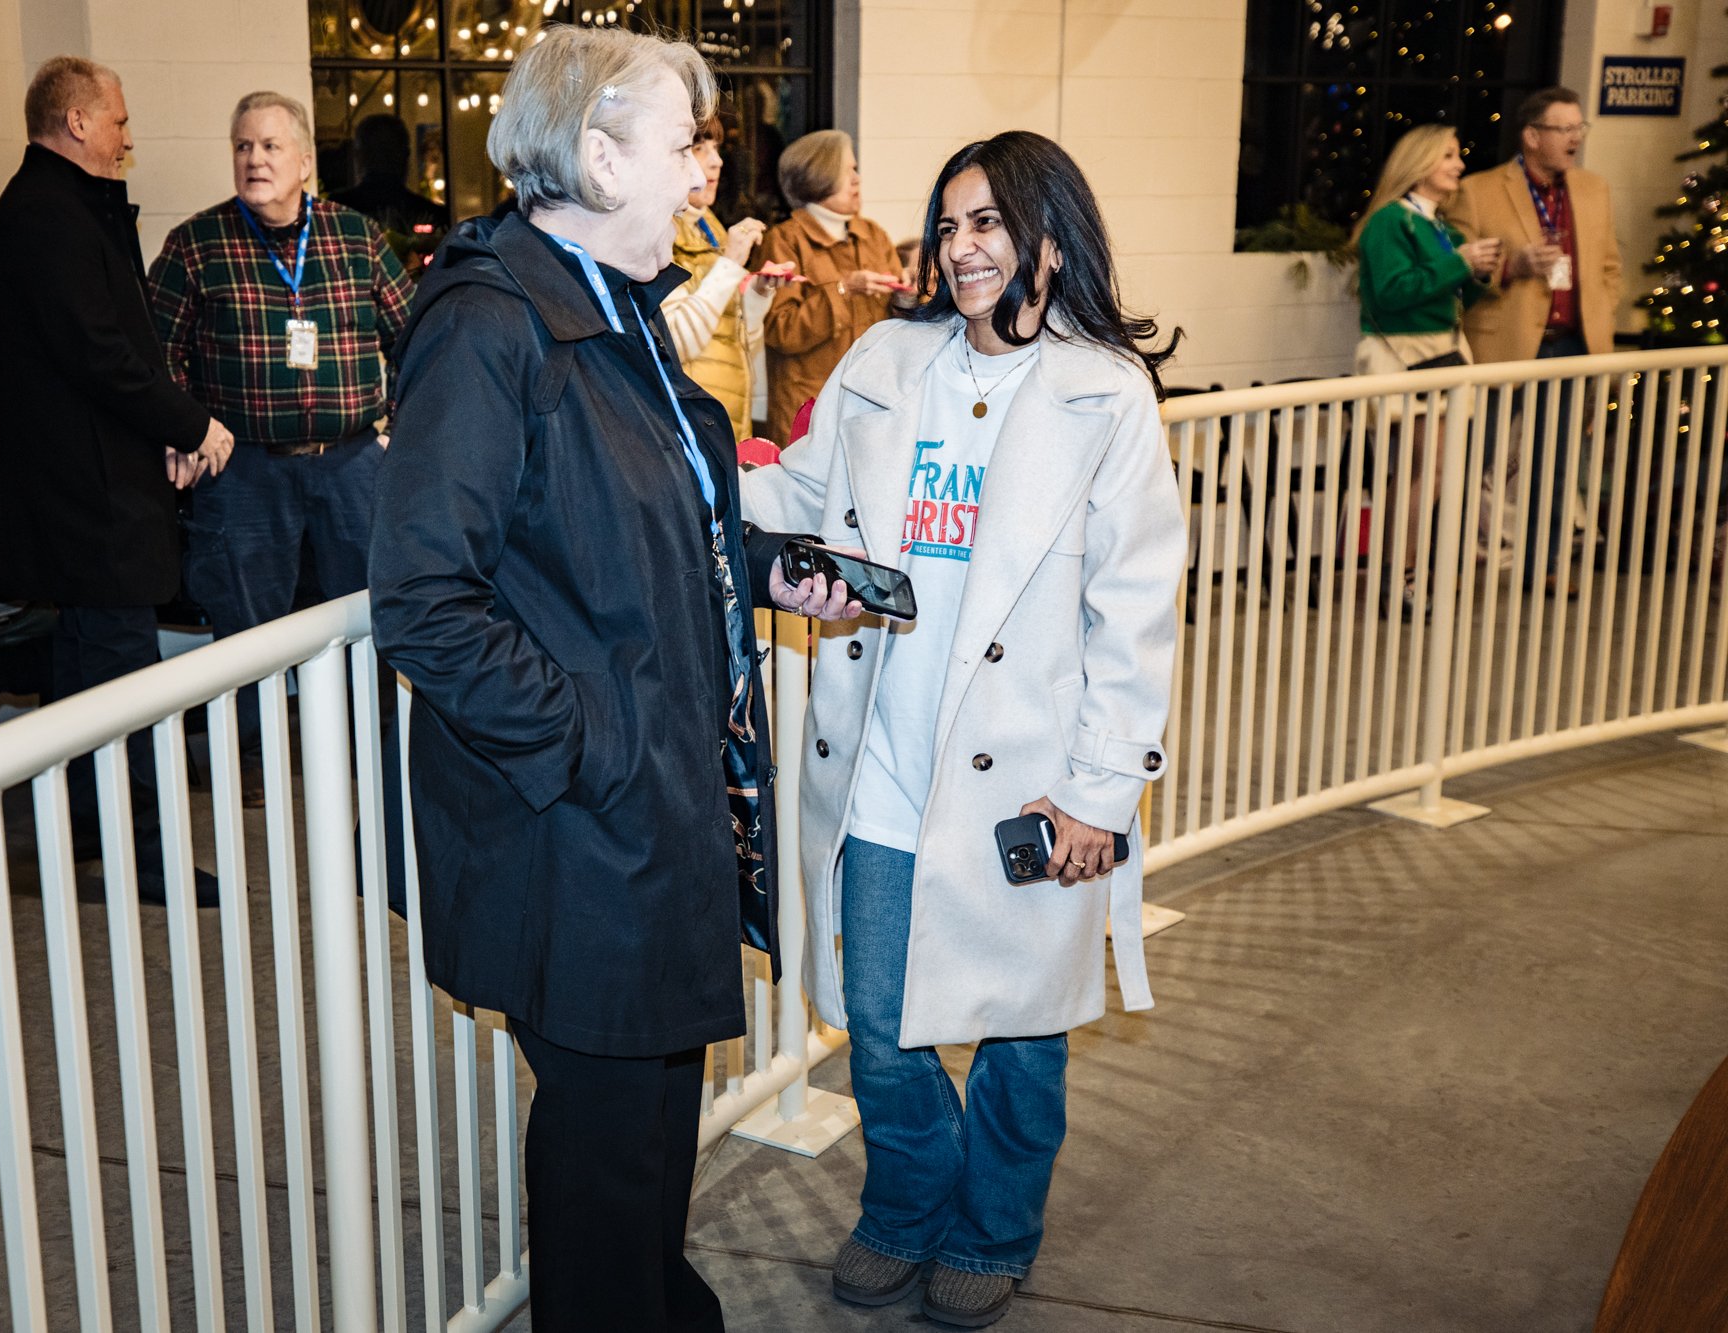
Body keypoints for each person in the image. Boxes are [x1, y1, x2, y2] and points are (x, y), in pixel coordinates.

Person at [368, 27, 861, 1332]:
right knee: (603, 1147)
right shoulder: (492, 330)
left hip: (649, 807)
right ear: (595, 156)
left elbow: (635, 526)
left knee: (647, 1121)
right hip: (577, 825)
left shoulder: (618, 312)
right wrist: (596, 740)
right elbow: (425, 601)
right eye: (684, 140)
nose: (707, 168)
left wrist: (765, 567)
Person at [739, 130, 1185, 1328]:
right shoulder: (889, 359)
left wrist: (1100, 793)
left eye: (986, 222)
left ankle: (992, 1228)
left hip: (1026, 784)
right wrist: (674, 470)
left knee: (1019, 1040)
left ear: (1048, 235)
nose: (961, 246)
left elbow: (1134, 610)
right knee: (880, 1033)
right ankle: (901, 1209)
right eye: (947, 225)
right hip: (882, 761)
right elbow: (793, 493)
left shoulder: (1102, 395)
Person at [0, 55, 232, 903]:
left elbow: (113, 354)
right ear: (78, 122)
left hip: (96, 492)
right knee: (125, 690)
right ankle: (146, 859)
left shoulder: (58, 208)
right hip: (89, 507)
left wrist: (157, 432)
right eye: (118, 120)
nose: (129, 136)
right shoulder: (45, 217)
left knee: (92, 686)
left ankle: (103, 846)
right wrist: (190, 424)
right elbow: (102, 358)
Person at [148, 91, 415, 805]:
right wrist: (182, 428)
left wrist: (402, 422)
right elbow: (156, 352)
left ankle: (378, 750)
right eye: (242, 147)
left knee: (370, 612)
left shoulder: (355, 239)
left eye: (269, 147)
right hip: (245, 472)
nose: (254, 159)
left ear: (304, 162)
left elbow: (417, 335)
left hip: (352, 461)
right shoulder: (195, 246)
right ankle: (255, 765)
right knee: (245, 627)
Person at [1446, 87, 1622, 585]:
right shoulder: (1478, 191)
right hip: (1501, 345)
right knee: (1473, 458)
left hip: (1570, 344)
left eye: (1579, 128)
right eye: (1564, 129)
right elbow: (1457, 274)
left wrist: (1600, 308)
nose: (1575, 139)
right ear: (1531, 135)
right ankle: (1451, 561)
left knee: (1556, 463)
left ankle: (1543, 566)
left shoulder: (1593, 189)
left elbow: (1609, 266)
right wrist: (1511, 266)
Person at [1351, 125, 1501, 610]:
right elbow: (1393, 292)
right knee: (1429, 470)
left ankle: (1395, 570)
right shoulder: (1389, 223)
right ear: (1419, 163)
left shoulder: (1440, 226)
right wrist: (1460, 262)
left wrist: (1478, 272)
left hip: (1443, 351)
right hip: (1406, 355)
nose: (1459, 165)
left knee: (1417, 471)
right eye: (1448, 156)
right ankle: (1401, 575)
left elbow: (1448, 294)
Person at [755, 129, 907, 439]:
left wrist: (910, 296)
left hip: (869, 404)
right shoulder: (784, 241)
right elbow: (781, 330)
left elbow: (897, 322)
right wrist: (842, 290)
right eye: (847, 170)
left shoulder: (873, 235)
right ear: (818, 177)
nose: (857, 179)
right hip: (808, 412)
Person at [662, 111, 793, 441]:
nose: (716, 162)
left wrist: (759, 294)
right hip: (688, 428)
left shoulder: (710, 229)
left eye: (717, 148)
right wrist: (732, 262)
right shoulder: (657, 234)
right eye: (698, 148)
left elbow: (734, 336)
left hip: (721, 423)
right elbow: (677, 343)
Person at [328, 113, 451, 271]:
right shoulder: (433, 214)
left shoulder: (337, 210)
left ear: (359, 156)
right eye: (379, 152)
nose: (384, 159)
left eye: (389, 151)